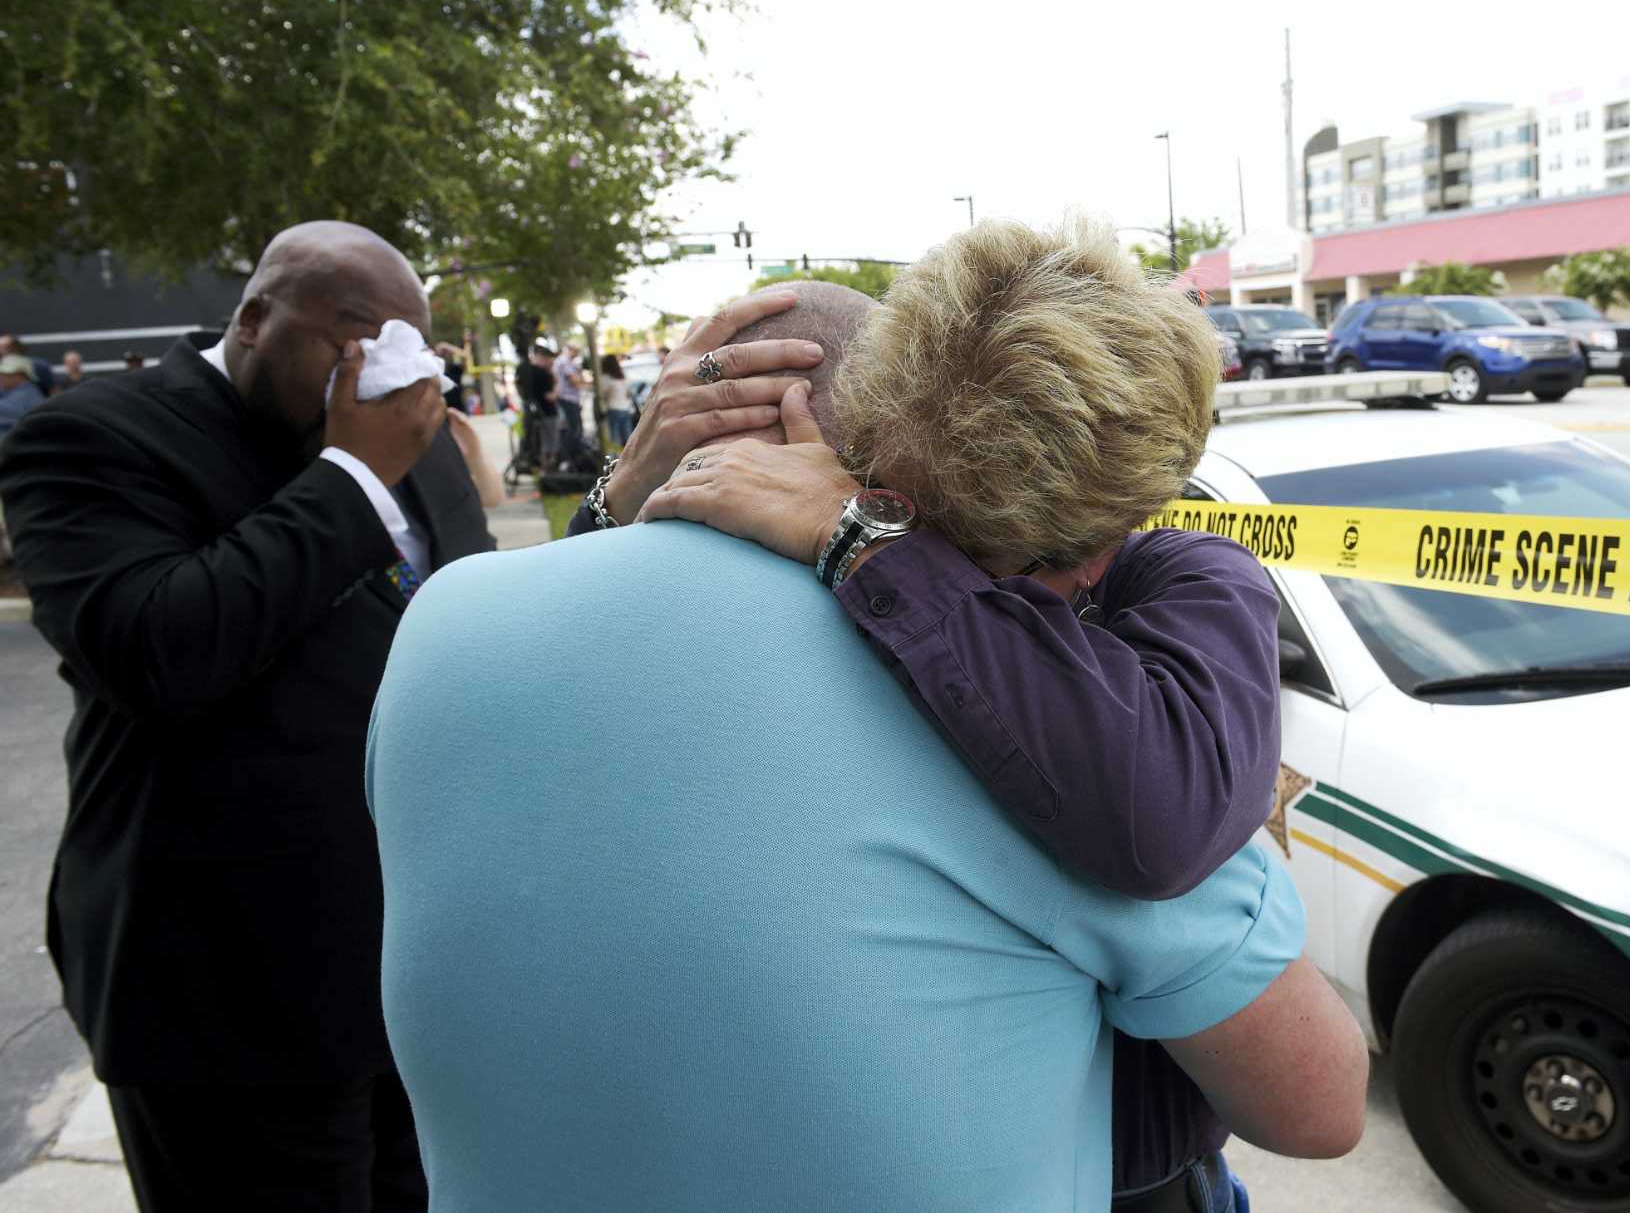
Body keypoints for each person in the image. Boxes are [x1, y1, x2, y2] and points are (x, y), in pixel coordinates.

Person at [367, 277, 1367, 1212]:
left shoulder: (438, 629)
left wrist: (617, 500)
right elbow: (1317, 1103)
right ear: (888, 455)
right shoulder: (1013, 707)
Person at [617, 224, 1291, 1208]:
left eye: (992, 560)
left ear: (1104, 543)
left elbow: (1160, 816)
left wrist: (866, 540)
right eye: (900, 507)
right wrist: (617, 502)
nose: (935, 548)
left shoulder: (1183, 581)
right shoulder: (862, 548)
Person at [0, 220, 495, 1213]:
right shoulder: (97, 436)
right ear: (257, 315)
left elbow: (467, 626)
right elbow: (158, 651)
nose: (368, 369)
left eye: (399, 342)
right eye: (347, 337)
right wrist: (353, 476)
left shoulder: (416, 441)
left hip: (410, 969)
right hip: (221, 992)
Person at [514, 342, 559, 472]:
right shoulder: (543, 374)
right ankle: (548, 471)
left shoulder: (522, 369)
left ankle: (535, 467)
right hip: (548, 412)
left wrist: (525, 398)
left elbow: (517, 384)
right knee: (550, 443)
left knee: (534, 441)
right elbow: (550, 396)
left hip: (530, 412)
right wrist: (558, 387)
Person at [552, 342, 586, 457]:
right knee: (574, 428)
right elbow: (575, 380)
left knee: (571, 427)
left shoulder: (563, 361)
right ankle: (569, 455)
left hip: (567, 398)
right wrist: (580, 377)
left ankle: (568, 454)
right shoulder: (565, 362)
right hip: (568, 398)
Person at [0, 353, 46, 438]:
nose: (1, 376)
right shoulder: (8, 390)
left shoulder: (28, 395)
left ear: (20, 375)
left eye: (5, 373)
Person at [598, 354, 633, 450]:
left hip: (613, 409)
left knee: (615, 438)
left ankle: (615, 460)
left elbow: (603, 394)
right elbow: (629, 393)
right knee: (628, 437)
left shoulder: (605, 378)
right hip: (625, 408)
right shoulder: (622, 376)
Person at [436, 342, 468, 412]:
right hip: (443, 408)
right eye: (442, 354)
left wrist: (449, 347)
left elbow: (465, 356)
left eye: (446, 353)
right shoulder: (436, 370)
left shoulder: (455, 369)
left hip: (458, 407)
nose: (444, 356)